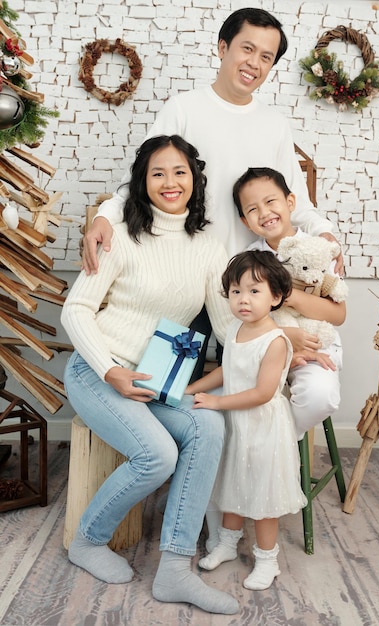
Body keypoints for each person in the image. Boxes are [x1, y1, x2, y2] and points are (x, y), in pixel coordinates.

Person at [61, 134, 239, 615]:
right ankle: (87, 541)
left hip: (159, 378)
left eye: (179, 171)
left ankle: (175, 571)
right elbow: (75, 311)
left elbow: (226, 322)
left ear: (194, 179)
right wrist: (111, 370)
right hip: (98, 371)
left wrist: (275, 344)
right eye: (157, 172)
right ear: (142, 180)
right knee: (157, 455)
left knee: (209, 425)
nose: (169, 182)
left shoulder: (207, 244)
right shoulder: (118, 231)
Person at [82, 7, 342, 280]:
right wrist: (104, 218)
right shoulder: (183, 109)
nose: (254, 63)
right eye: (247, 49)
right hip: (183, 273)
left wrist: (324, 233)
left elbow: (296, 203)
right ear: (222, 47)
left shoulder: (274, 124)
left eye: (266, 57)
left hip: (248, 282)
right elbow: (138, 180)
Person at [185, 250, 307, 591]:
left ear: (276, 296)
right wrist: (193, 388)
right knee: (232, 482)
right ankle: (227, 542)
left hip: (263, 427)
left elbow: (263, 392)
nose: (243, 299)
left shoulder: (275, 340)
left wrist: (218, 401)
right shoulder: (238, 330)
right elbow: (229, 369)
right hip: (237, 425)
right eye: (236, 291)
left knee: (262, 496)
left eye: (254, 291)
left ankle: (268, 560)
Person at [233, 167, 346, 440]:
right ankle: (258, 449)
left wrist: (290, 296)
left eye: (271, 201)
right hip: (264, 350)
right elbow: (242, 316)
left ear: (290, 202)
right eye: (253, 209)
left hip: (314, 346)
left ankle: (278, 444)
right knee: (238, 402)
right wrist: (283, 338)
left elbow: (338, 314)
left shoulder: (320, 249)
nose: (265, 213)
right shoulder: (249, 259)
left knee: (320, 396)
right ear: (245, 221)